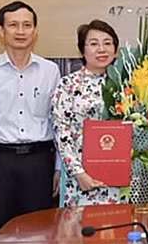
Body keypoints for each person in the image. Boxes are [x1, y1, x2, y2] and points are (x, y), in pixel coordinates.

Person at [0, 1, 61, 244]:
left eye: (27, 25)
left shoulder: (50, 71)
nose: (20, 31)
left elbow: (58, 123)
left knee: (39, 235)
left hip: (39, 163)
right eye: (13, 25)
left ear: (35, 31)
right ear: (1, 30)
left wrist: (58, 168)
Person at [51, 19, 124, 207]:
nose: (102, 49)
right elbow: (61, 132)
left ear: (115, 50)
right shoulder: (68, 85)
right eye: (93, 44)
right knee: (80, 224)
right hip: (80, 179)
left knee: (118, 224)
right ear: (82, 50)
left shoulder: (126, 85)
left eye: (107, 43)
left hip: (120, 178)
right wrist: (78, 173)